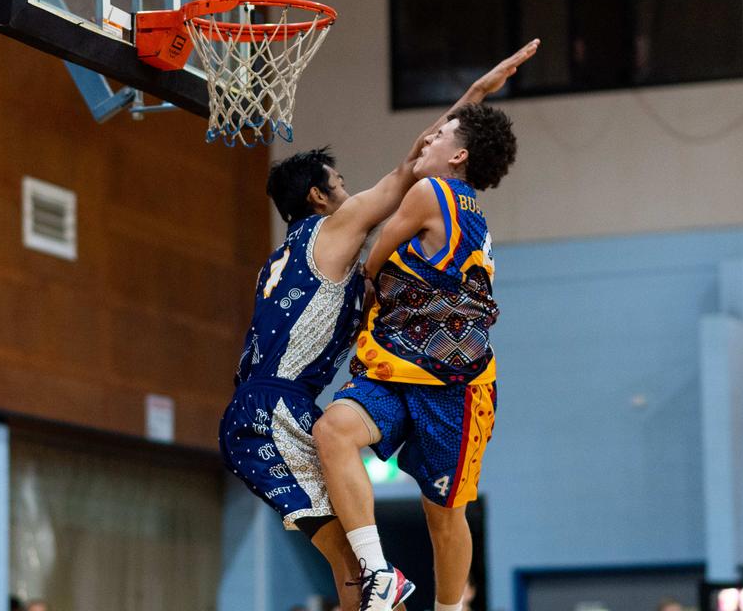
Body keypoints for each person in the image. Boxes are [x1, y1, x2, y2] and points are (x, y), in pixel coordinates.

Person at [218, 41, 539, 611]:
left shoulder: (285, 257)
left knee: (359, 575)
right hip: (280, 407)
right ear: (321, 198)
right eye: (341, 185)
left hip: (282, 403)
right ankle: (382, 576)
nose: (354, 193)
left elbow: (433, 157)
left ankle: (382, 581)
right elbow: (414, 162)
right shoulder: (336, 231)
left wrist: (474, 103)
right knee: (354, 547)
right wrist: (474, 97)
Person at [314, 99, 519, 611]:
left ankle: (450, 609)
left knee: (445, 517)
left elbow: (376, 253)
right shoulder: (455, 204)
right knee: (333, 431)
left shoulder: (434, 192)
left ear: (460, 155)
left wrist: (366, 277)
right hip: (395, 367)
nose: (428, 140)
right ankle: (378, 572)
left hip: (456, 385)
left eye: (441, 134)